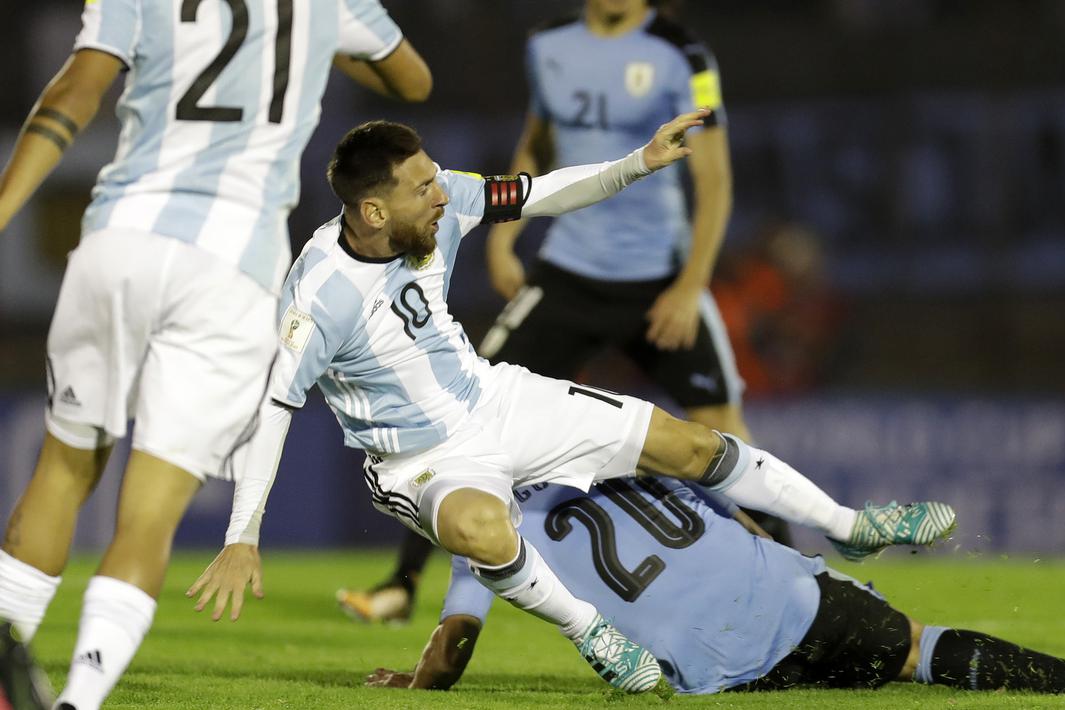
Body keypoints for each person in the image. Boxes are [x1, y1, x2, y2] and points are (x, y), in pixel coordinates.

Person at [185, 111, 957, 695]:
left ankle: (849, 527)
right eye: (420, 186)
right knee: (478, 528)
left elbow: (538, 194)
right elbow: (274, 409)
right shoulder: (318, 297)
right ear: (373, 212)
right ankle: (595, 636)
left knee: (688, 446)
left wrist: (636, 164)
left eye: (433, 177)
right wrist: (242, 533)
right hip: (417, 460)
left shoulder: (439, 201)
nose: (440, 190)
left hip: (499, 399)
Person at [0, 0, 431, 707]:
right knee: (148, 514)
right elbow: (412, 81)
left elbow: (74, 91)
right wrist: (307, 39)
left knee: (62, 470)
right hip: (229, 269)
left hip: (119, 241)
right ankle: (78, 700)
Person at [365, 478, 1065, 697]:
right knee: (916, 650)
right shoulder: (625, 448)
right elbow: (749, 525)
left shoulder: (480, 531)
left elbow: (454, 646)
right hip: (798, 603)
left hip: (711, 672)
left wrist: (415, 682)